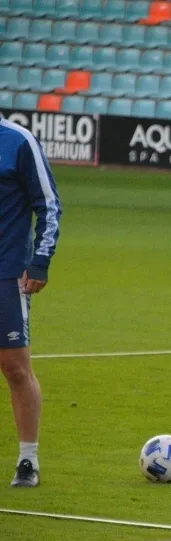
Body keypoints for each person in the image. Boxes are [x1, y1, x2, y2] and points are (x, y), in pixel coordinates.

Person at [0, 114, 63, 488]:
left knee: (15, 367)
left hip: (7, 272)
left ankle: (28, 460)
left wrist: (40, 259)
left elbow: (49, 205)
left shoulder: (18, 141)